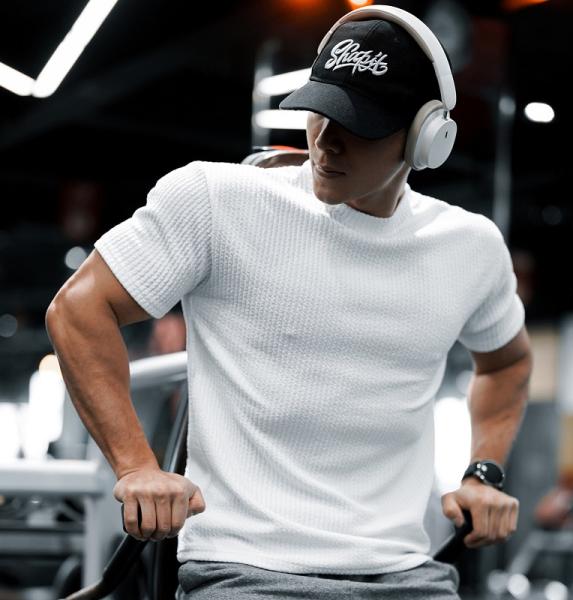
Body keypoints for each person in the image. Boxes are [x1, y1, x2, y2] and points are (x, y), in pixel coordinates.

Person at [45, 5, 533, 599]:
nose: (326, 141)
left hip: (408, 575)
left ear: (427, 138)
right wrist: (135, 466)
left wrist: (483, 472)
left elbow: (507, 362)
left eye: (358, 125)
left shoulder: (468, 247)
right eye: (320, 110)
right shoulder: (217, 201)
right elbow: (79, 309)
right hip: (246, 571)